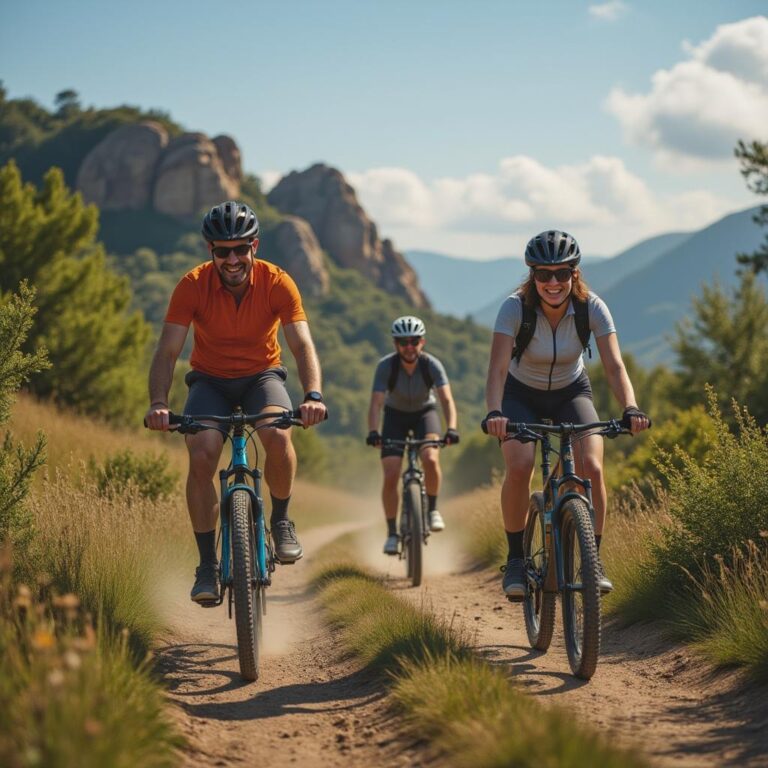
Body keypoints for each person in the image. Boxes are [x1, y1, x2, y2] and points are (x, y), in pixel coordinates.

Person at [145, 200, 327, 603]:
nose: (232, 259)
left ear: (254, 247)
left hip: (262, 377)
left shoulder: (278, 282)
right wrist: (159, 402)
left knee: (278, 437)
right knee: (203, 452)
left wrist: (312, 395)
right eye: (222, 250)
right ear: (210, 250)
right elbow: (167, 351)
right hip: (209, 380)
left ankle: (280, 522)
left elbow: (301, 345)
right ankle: (207, 565)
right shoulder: (191, 285)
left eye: (240, 249)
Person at [483, 230, 650, 598]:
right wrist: (495, 411)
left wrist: (631, 407)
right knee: (520, 464)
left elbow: (615, 366)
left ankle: (594, 560)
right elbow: (496, 369)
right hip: (519, 394)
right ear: (533, 276)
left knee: (590, 467)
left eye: (562, 273)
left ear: (575, 273)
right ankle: (515, 560)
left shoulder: (591, 307)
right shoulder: (515, 308)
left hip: (571, 392)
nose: (553, 282)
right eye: (544, 274)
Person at [366, 315, 459, 555]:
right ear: (395, 344)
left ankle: (432, 510)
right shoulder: (386, 366)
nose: (409, 346)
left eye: (414, 341)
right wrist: (374, 432)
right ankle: (392, 533)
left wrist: (451, 428)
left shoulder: (432, 365)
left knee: (430, 458)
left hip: (424, 414)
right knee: (391, 473)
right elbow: (376, 403)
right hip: (394, 416)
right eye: (403, 342)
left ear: (422, 342)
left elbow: (446, 399)